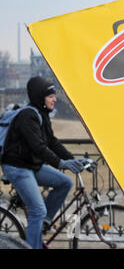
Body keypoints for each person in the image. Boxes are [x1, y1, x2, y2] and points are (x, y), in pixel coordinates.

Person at [0, 76, 85, 249]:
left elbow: (52, 142)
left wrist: (73, 160)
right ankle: (33, 244)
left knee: (65, 183)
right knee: (38, 210)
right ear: (41, 97)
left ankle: (42, 224)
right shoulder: (27, 116)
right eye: (50, 96)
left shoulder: (41, 114)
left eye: (54, 95)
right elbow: (39, 147)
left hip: (30, 165)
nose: (55, 99)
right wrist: (61, 163)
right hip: (17, 167)